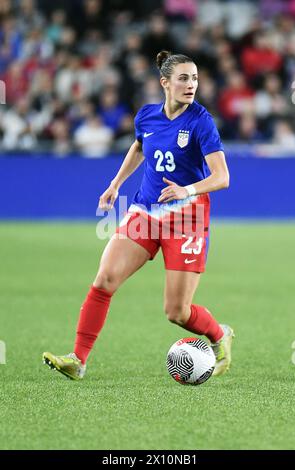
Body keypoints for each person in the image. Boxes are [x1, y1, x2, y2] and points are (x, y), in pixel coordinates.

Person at [43, 50, 234, 381]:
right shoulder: (147, 116)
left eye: (195, 78)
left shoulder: (201, 121)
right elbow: (140, 146)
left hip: (187, 219)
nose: (192, 85)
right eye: (184, 78)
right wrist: (116, 184)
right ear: (165, 82)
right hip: (145, 210)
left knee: (176, 312)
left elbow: (222, 177)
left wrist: (186, 190)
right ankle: (78, 359)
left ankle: (219, 335)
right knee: (105, 279)